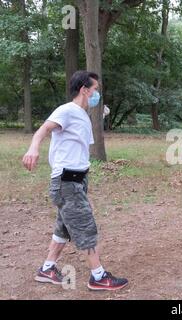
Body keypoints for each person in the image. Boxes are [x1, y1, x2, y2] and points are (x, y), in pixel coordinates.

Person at [22, 71, 128, 291]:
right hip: (66, 182)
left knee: (64, 228)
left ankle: (47, 269)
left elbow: (78, 154)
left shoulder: (83, 116)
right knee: (85, 227)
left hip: (76, 181)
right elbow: (44, 129)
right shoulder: (67, 110)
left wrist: (84, 192)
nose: (97, 93)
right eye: (95, 89)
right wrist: (33, 148)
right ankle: (98, 277)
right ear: (84, 90)